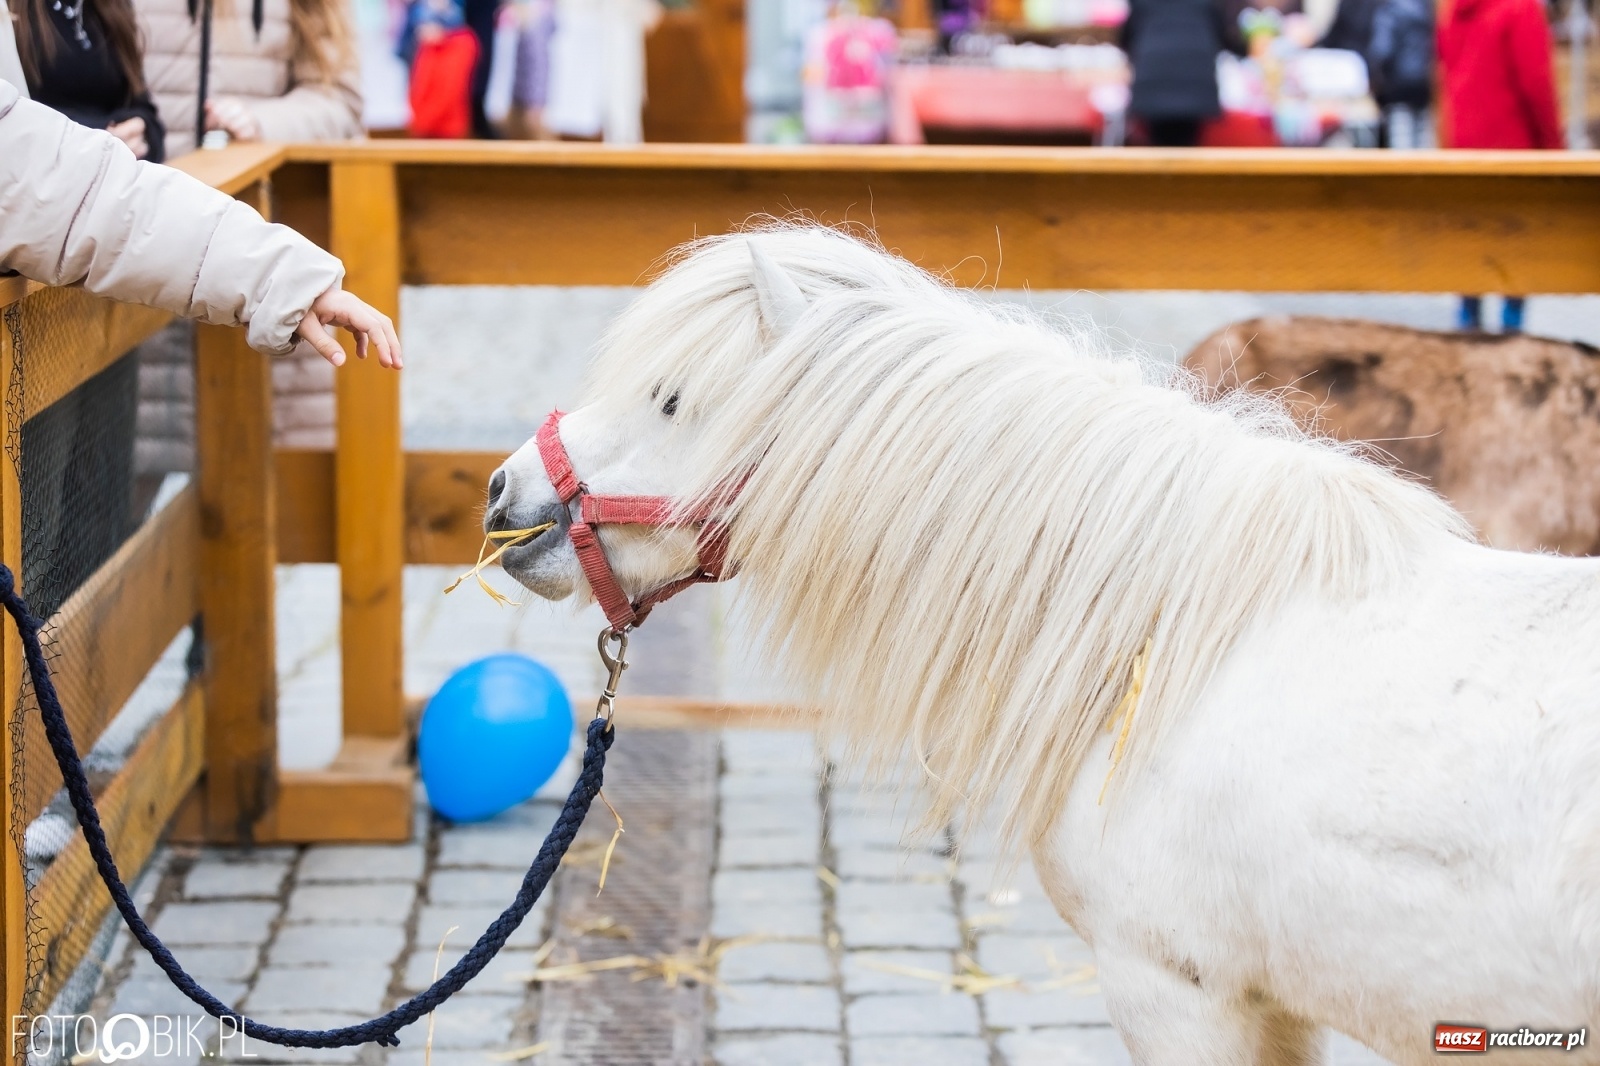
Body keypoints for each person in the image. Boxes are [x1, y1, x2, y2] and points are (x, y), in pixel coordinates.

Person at [1439, 0, 1561, 332]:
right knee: (1515, 246)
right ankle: (1511, 333)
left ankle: (1468, 326)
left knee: (1470, 238)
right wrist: (1553, 147)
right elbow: (1537, 85)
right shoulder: (1520, 8)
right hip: (1513, 146)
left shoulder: (1455, 10)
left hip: (1465, 144)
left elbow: (1447, 68)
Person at [12, 0, 165, 160]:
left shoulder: (111, 6)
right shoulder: (13, 12)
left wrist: (142, 133)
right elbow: (18, 118)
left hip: (118, 171)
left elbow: (142, 107)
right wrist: (99, 137)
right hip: (51, 170)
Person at [1122, 0, 1232, 146]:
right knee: (1188, 149)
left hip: (1154, 79)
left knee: (1157, 150)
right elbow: (1223, 34)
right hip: (1195, 81)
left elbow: (1127, 37)